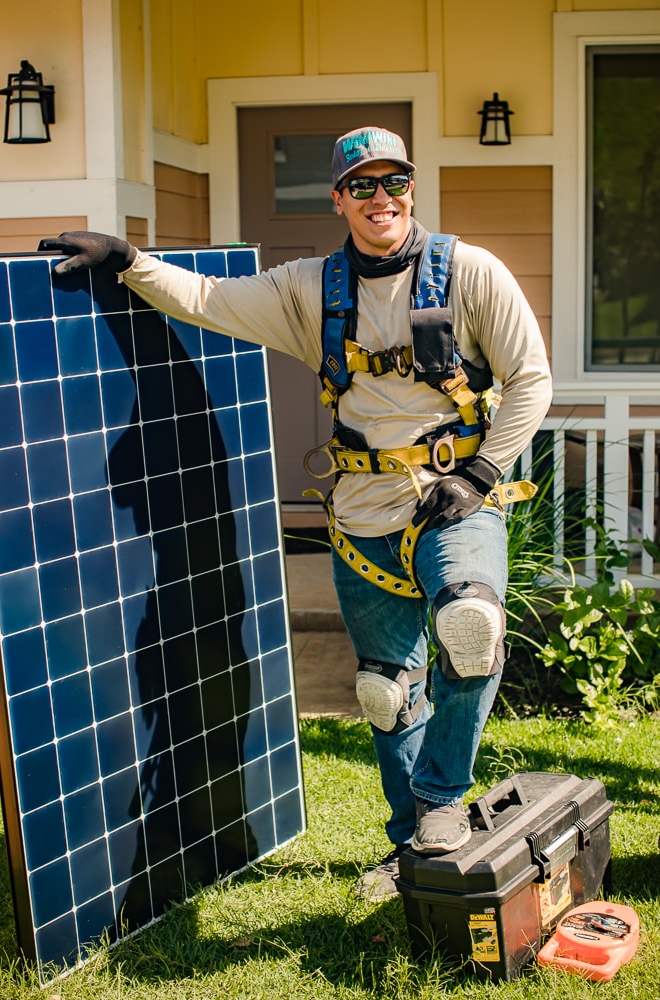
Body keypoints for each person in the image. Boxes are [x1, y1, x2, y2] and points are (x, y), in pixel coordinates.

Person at [40, 126, 552, 901]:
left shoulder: (470, 272)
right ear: (339, 198)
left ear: (411, 187)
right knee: (385, 688)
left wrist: (480, 473)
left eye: (394, 182)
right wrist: (129, 260)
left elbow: (530, 378)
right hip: (359, 512)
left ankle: (443, 799)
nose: (381, 199)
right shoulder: (310, 288)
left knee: (470, 632)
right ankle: (407, 841)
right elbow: (210, 301)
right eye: (363, 186)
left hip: (454, 499)